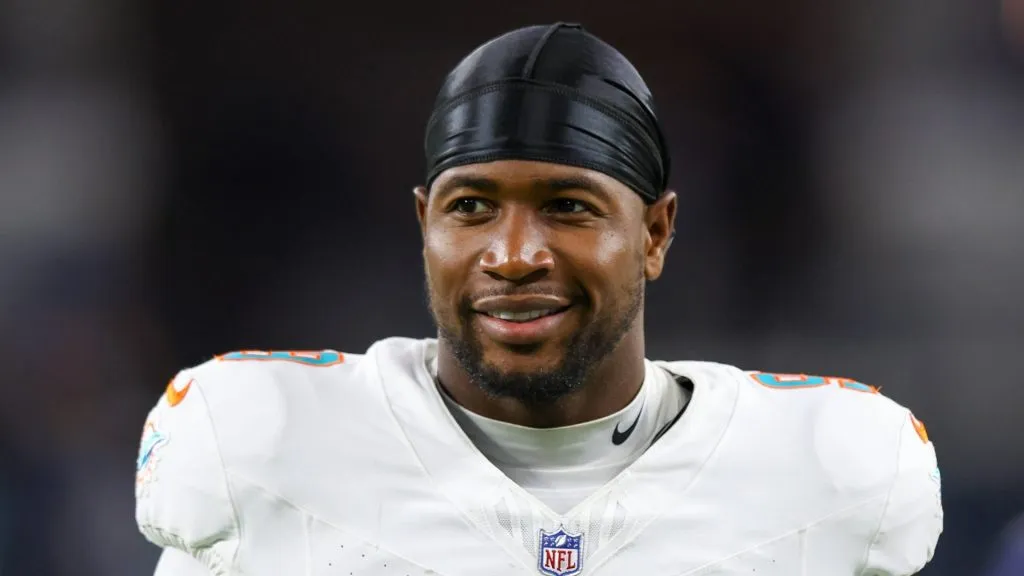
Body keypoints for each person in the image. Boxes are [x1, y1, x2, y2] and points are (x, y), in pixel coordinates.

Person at [135, 23, 943, 575]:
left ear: (656, 232)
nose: (514, 256)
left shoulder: (835, 470)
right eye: (472, 207)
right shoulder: (258, 443)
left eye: (568, 207)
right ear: (425, 224)